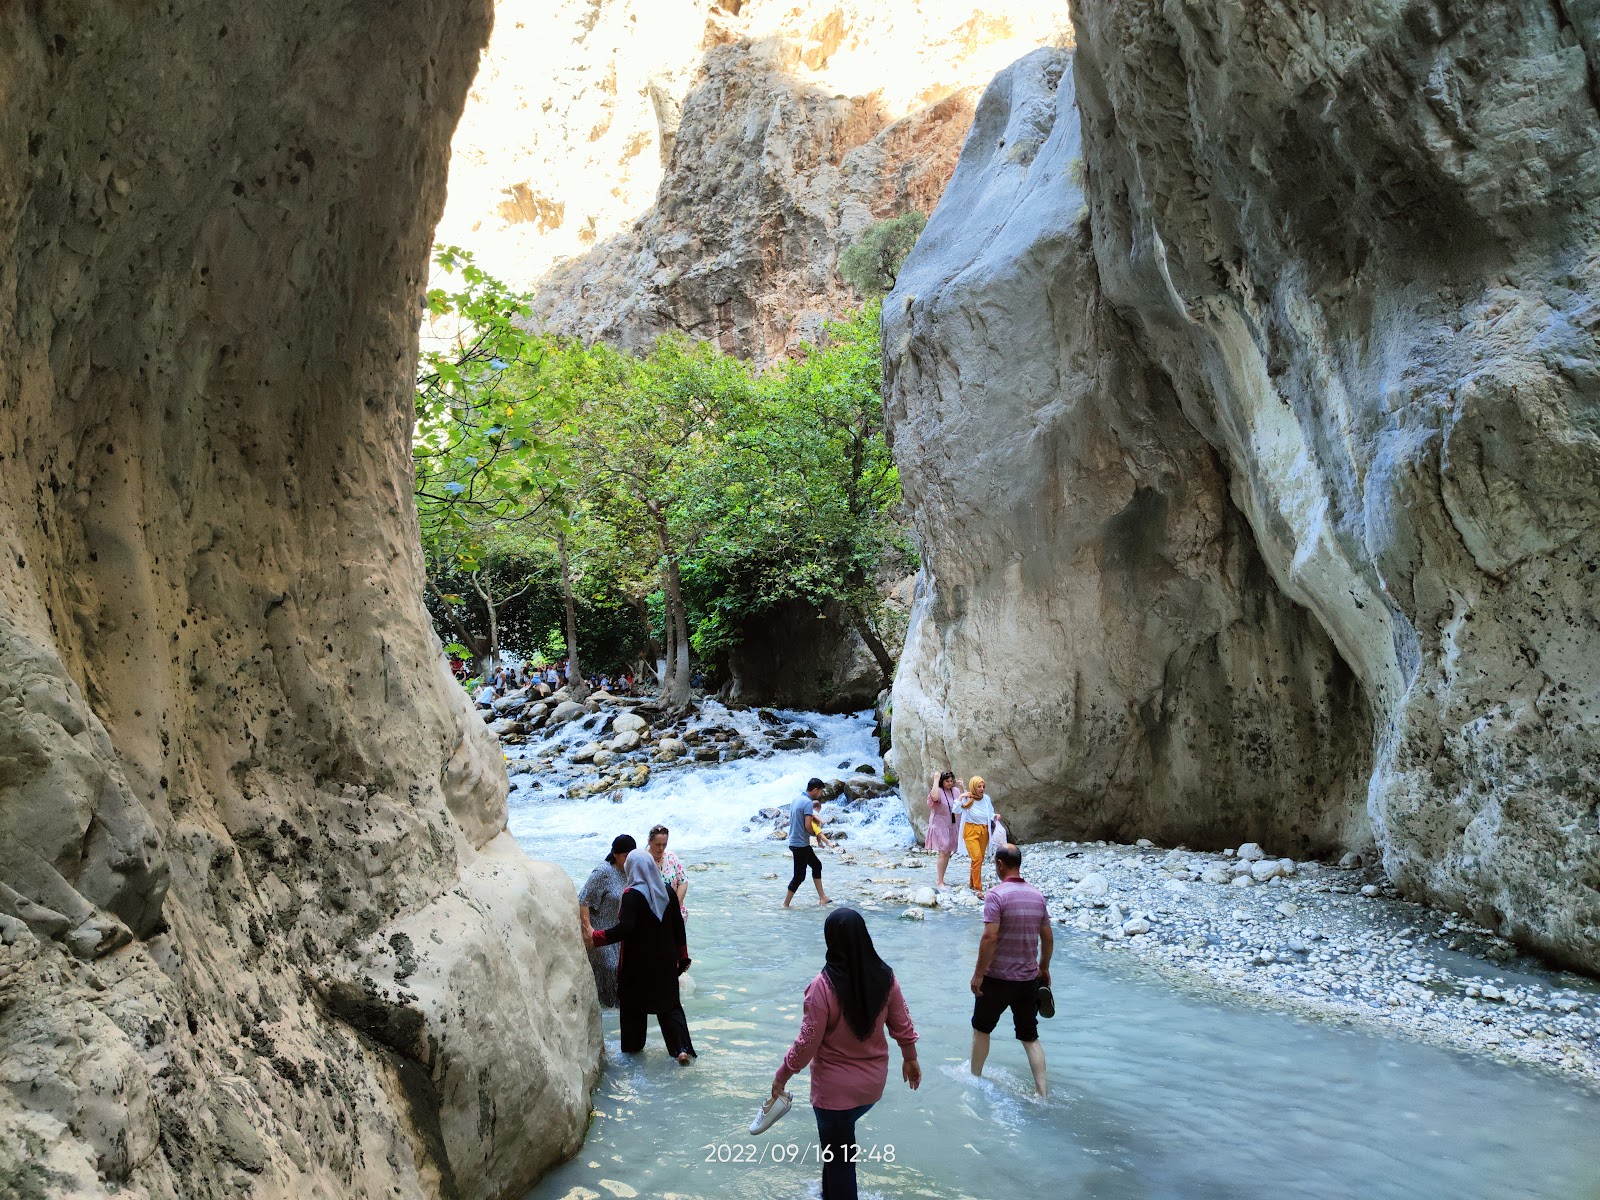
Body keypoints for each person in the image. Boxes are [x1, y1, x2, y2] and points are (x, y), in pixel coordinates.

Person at [770, 909, 920, 1200]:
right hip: (871, 1089)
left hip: (833, 1094)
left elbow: (806, 1044)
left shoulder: (822, 986)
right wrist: (910, 1058)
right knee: (838, 1149)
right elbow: (902, 1025)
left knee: (840, 1161)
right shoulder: (886, 978)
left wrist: (781, 1076)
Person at [591, 849, 697, 1063]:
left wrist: (596, 937)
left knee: (632, 1008)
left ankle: (633, 1053)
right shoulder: (667, 891)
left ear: (633, 868)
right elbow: (678, 927)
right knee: (670, 1006)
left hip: (637, 966)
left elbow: (626, 928)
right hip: (665, 964)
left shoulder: (632, 894)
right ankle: (681, 1050)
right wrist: (683, 958)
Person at [969, 843, 1052, 1098]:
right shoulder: (1037, 896)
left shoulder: (996, 895)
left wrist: (978, 974)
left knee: (982, 1029)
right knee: (1029, 1036)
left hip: (996, 978)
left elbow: (989, 938)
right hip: (1028, 979)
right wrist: (1044, 968)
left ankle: (975, 1079)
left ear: (1000, 865)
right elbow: (1047, 938)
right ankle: (1042, 1093)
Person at [578, 835, 635, 1007]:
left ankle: (616, 1018)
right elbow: (583, 900)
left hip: (619, 933)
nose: (629, 860)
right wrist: (588, 931)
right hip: (600, 932)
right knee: (611, 971)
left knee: (624, 976)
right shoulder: (603, 872)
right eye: (626, 856)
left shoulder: (631, 872)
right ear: (615, 854)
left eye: (631, 856)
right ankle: (606, 1016)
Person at [784, 779, 833, 908]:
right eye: (820, 791)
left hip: (796, 841)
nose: (820, 794)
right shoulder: (807, 803)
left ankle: (823, 897)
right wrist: (816, 834)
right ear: (815, 790)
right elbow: (807, 825)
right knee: (799, 876)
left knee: (816, 865)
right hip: (800, 844)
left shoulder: (796, 799)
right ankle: (785, 904)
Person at [959, 775, 996, 895]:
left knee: (978, 859)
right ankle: (977, 888)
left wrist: (995, 816)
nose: (981, 789)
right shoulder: (968, 798)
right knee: (977, 857)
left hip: (984, 831)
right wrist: (960, 797)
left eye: (983, 786)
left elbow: (990, 812)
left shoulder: (986, 799)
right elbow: (956, 809)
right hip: (970, 830)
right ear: (974, 787)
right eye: (979, 786)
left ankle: (972, 883)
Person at [925, 771, 962, 887]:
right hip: (939, 825)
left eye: (951, 781)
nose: (950, 783)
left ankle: (942, 879)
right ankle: (940, 881)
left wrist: (963, 787)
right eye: (947, 781)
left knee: (947, 852)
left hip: (952, 824)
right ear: (942, 782)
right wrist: (936, 779)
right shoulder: (938, 790)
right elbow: (934, 797)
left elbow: (964, 802)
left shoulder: (955, 791)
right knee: (943, 851)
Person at [647, 824, 688, 921]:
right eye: (658, 844)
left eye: (664, 844)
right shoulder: (643, 859)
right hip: (652, 912)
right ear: (649, 841)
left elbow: (683, 881)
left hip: (674, 910)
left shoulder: (671, 856)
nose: (661, 848)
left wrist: (675, 905)